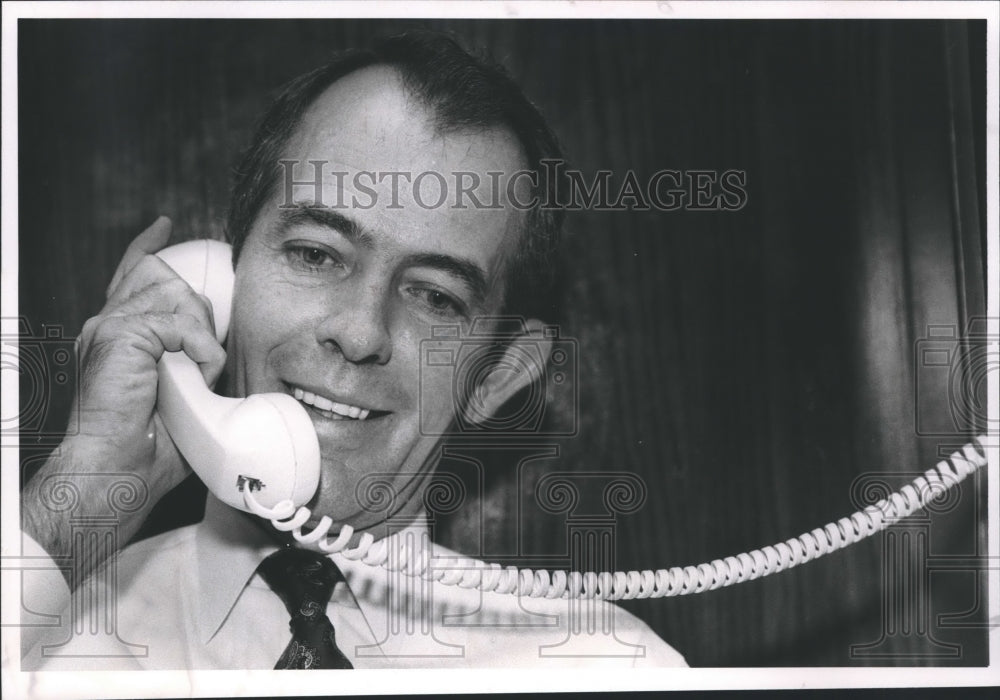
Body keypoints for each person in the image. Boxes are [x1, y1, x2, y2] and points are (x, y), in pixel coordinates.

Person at [19, 31, 686, 669]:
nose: (361, 332)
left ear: (497, 375)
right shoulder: (43, 631)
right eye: (315, 254)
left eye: (435, 296)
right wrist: (80, 495)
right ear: (219, 281)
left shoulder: (604, 665)